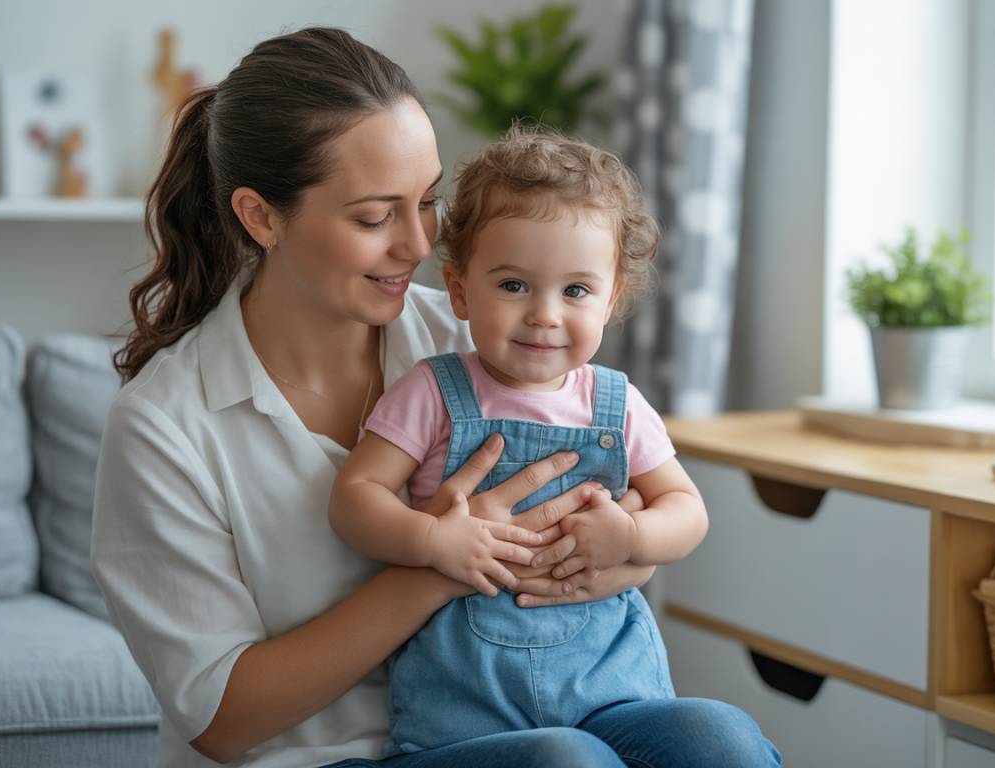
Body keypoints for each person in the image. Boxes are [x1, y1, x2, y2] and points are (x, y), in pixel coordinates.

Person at [91, 26, 778, 768]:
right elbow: (222, 719)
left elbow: (635, 523)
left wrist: (610, 547)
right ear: (262, 217)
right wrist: (439, 564)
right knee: (562, 763)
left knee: (720, 742)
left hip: (536, 714)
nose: (419, 247)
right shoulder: (164, 427)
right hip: (315, 758)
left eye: (427, 202)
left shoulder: (478, 334)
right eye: (373, 216)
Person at [329, 129, 780, 765]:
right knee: (565, 758)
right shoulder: (432, 389)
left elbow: (685, 507)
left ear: (610, 299)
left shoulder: (618, 404)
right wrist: (433, 542)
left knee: (721, 736)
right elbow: (356, 497)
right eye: (514, 285)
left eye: (575, 291)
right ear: (459, 289)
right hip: (469, 716)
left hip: (616, 698)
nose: (545, 314)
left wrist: (631, 537)